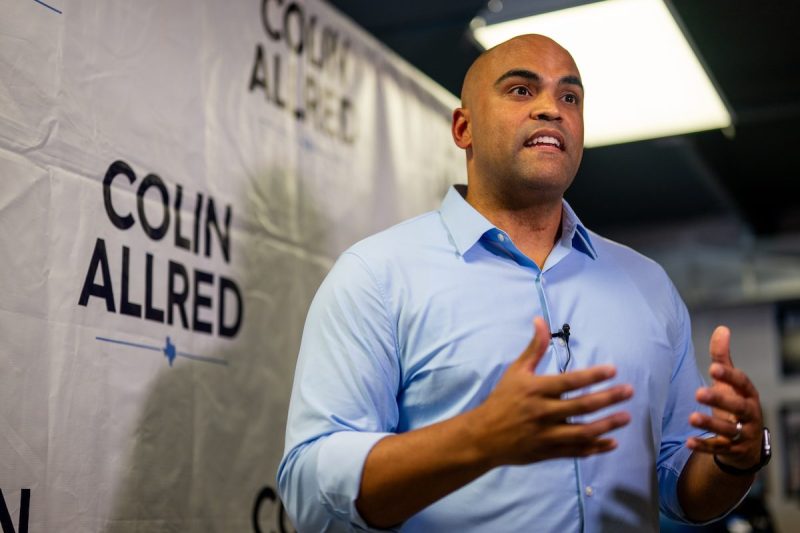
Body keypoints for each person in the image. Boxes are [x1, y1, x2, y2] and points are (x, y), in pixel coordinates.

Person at [277, 34, 767, 532]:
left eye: (569, 97)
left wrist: (736, 458)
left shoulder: (649, 286)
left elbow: (678, 485)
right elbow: (310, 493)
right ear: (463, 127)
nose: (551, 109)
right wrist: (477, 439)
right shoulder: (375, 276)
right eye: (520, 91)